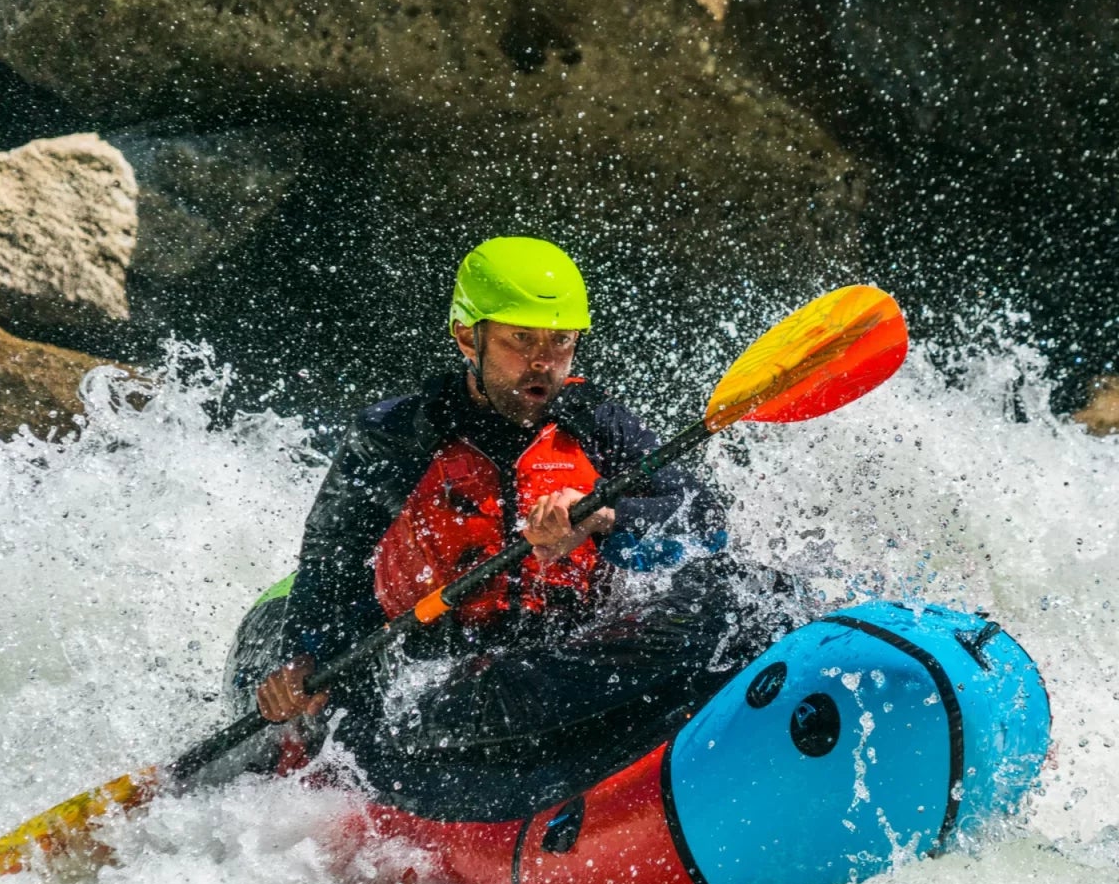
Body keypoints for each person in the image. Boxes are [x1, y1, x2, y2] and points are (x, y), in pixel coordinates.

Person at [245, 236, 798, 820]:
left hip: (566, 654)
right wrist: (303, 659)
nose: (543, 361)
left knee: (749, 596)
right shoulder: (396, 436)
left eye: (560, 341)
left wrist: (602, 520)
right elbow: (331, 563)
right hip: (429, 678)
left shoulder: (595, 420)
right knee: (513, 690)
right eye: (521, 340)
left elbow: (703, 525)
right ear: (467, 337)